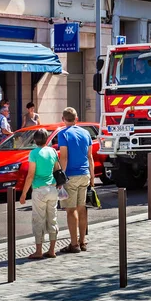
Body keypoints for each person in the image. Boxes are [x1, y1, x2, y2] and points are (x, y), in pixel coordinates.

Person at [57, 107, 94, 254]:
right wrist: (92, 176)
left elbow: (64, 157)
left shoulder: (63, 134)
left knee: (71, 210)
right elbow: (90, 157)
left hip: (70, 176)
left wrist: (61, 177)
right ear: (76, 118)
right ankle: (83, 241)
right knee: (82, 208)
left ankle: (74, 244)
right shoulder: (86, 133)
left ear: (63, 119)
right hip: (84, 174)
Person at [19, 129, 60, 259]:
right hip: (52, 188)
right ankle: (52, 250)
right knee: (52, 219)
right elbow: (57, 169)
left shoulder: (34, 153)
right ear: (47, 139)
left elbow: (30, 175)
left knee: (38, 220)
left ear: (35, 140)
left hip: (39, 189)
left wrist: (23, 193)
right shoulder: (52, 151)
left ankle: (38, 251)